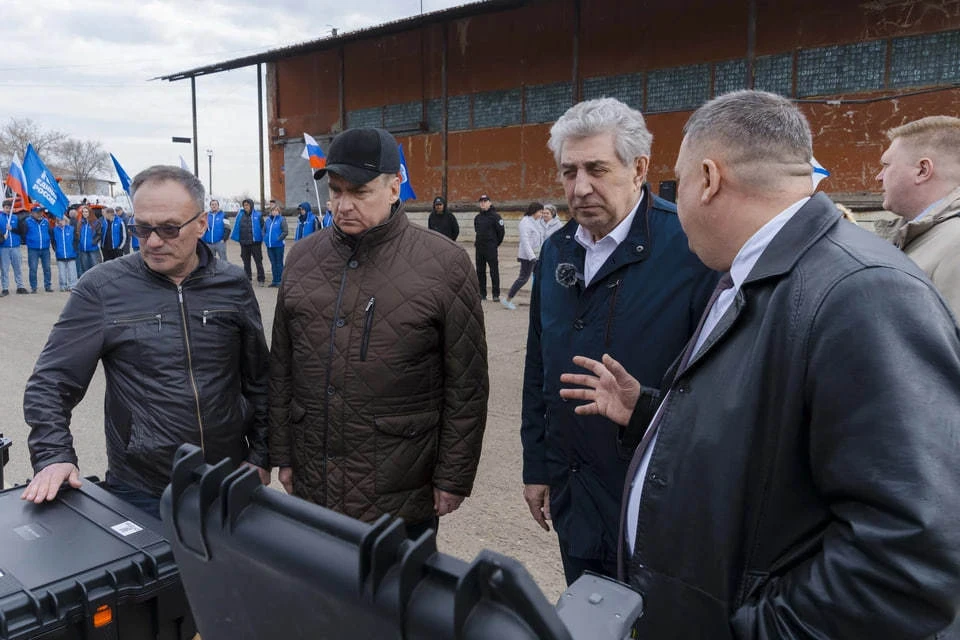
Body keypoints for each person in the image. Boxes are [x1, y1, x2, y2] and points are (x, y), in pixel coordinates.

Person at [558, 90, 960, 637]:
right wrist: (649, 413)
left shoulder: (864, 292)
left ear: (708, 179)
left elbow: (912, 555)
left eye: (678, 182)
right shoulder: (760, 274)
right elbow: (768, 445)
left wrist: (759, 629)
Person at [521, 97, 718, 586]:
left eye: (597, 169)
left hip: (656, 502)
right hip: (575, 495)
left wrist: (644, 407)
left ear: (639, 169)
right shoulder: (556, 249)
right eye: (569, 171)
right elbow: (538, 367)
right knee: (590, 610)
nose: (580, 187)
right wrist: (537, 466)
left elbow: (720, 387)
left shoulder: (693, 247)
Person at [269, 127, 488, 540]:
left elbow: (467, 384)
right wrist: (283, 453)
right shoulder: (302, 258)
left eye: (359, 192)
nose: (343, 205)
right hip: (315, 480)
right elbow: (281, 368)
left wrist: (453, 475)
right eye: (336, 191)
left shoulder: (445, 264)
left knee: (398, 584)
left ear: (394, 188)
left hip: (400, 486)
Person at [21, 165, 271, 521]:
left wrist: (261, 455)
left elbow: (259, 377)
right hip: (143, 490)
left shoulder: (233, 284)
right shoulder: (102, 288)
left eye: (169, 228)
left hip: (228, 479)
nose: (153, 241)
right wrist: (53, 455)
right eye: (141, 228)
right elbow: (51, 381)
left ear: (201, 224)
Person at [875, 115, 960, 316]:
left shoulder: (955, 244)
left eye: (886, 165)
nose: (878, 177)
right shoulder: (917, 234)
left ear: (923, 170)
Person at [501, 201, 543, 310]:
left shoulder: (536, 221)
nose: (541, 214)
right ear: (534, 211)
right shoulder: (525, 223)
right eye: (540, 212)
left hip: (536, 254)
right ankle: (508, 299)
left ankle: (539, 300)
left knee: (538, 277)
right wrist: (532, 257)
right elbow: (525, 242)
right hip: (528, 256)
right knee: (523, 278)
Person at [473, 194, 504, 301]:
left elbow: (501, 233)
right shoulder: (477, 218)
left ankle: (496, 294)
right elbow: (477, 231)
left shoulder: (496, 217)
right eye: (481, 202)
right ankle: (482, 293)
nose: (483, 203)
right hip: (479, 248)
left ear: (490, 203)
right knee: (480, 272)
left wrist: (494, 244)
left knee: (494, 271)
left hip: (491, 248)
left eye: (485, 201)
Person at [230, 198, 266, 285]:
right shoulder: (240, 215)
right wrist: (239, 240)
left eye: (247, 205)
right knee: (246, 262)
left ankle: (261, 279)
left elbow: (263, 228)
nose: (246, 206)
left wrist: (262, 239)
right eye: (244, 205)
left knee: (258, 262)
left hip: (255, 243)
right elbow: (237, 227)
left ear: (251, 205)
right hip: (244, 243)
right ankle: (248, 278)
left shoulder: (258, 215)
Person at [0, 201, 28, 296]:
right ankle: (5, 288)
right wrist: (2, 237)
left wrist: (12, 229)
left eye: (9, 208)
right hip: (4, 248)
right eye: (6, 207)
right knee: (4, 269)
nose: (8, 209)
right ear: (3, 208)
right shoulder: (0, 218)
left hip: (16, 247)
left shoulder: (16, 218)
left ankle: (20, 286)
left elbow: (22, 231)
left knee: (18, 268)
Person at [23, 206, 53, 293]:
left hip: (45, 249)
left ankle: (48, 286)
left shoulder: (46, 221)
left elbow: (50, 233)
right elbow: (23, 233)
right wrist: (29, 241)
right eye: (38, 212)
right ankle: (33, 287)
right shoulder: (27, 221)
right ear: (32, 213)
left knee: (47, 268)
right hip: (33, 249)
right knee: (33, 268)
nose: (40, 214)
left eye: (41, 212)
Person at [263, 200, 288, 287]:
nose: (274, 212)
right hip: (269, 246)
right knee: (273, 263)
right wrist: (265, 238)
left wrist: (278, 239)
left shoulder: (282, 219)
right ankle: (275, 280)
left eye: (276, 210)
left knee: (279, 263)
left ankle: (281, 281)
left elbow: (285, 232)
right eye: (272, 210)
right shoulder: (268, 220)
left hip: (279, 246)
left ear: (279, 211)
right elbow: (263, 231)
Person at [51, 214, 79, 291]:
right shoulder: (54, 230)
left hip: (71, 254)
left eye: (62, 220)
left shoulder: (71, 229)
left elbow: (76, 240)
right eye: (59, 220)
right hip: (60, 255)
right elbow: (53, 241)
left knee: (72, 272)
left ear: (66, 221)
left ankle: (72, 285)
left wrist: (74, 249)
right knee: (62, 273)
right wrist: (56, 249)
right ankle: (63, 286)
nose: (61, 222)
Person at [76, 205, 102, 277]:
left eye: (86, 212)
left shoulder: (96, 222)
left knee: (95, 267)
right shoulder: (80, 223)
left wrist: (93, 242)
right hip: (83, 250)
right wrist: (80, 242)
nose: (84, 213)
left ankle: (97, 281)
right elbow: (78, 234)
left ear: (90, 212)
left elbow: (99, 234)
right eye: (83, 212)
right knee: (85, 268)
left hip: (93, 249)